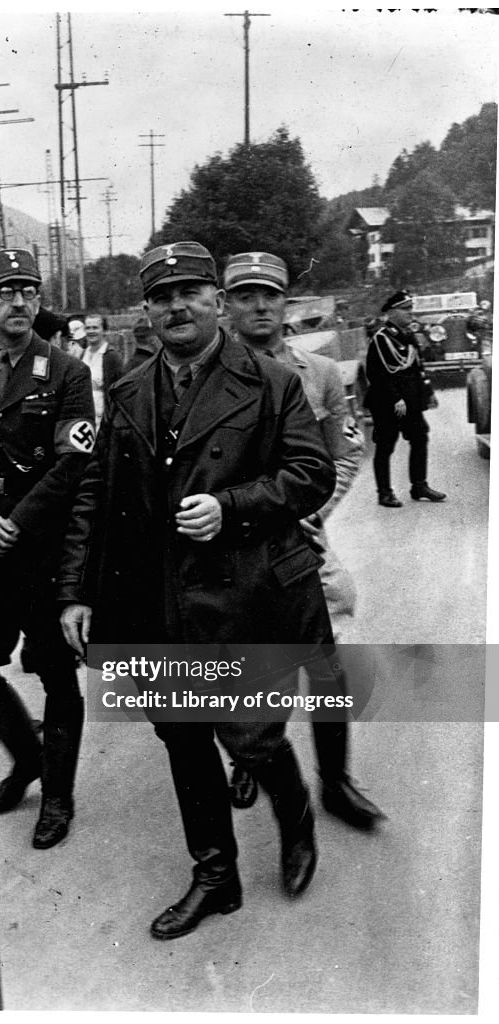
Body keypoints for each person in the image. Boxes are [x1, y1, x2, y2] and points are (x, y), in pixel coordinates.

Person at [58, 241, 337, 940]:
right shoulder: (126, 388)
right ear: (145, 311)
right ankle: (216, 874)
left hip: (237, 590)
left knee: (249, 738)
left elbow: (311, 473)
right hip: (152, 596)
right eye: (161, 296)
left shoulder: (271, 383)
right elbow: (96, 493)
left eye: (190, 292)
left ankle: (296, 818)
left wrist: (233, 506)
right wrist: (76, 592)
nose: (176, 307)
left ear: (217, 301)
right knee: (181, 736)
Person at [223, 251, 385, 830]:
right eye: (246, 296)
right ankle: (253, 755)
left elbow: (345, 454)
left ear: (285, 303)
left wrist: (313, 512)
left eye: (271, 295)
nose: (261, 306)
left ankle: (336, 781)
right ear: (227, 306)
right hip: (232, 545)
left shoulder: (316, 373)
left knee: (327, 660)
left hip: (299, 539)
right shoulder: (210, 374)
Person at [0, 247, 95, 849]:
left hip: (43, 552)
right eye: (5, 293)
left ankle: (57, 795)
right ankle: (28, 758)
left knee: (58, 676)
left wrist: (16, 523)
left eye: (29, 291)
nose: (19, 303)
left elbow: (74, 464)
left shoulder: (66, 373)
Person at [364, 290, 446, 508]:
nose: (411, 313)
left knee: (420, 438)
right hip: (388, 403)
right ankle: (384, 493)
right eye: (405, 309)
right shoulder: (381, 338)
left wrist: (428, 394)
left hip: (411, 401)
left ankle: (419, 486)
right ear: (392, 312)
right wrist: (396, 398)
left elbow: (417, 368)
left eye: (411, 308)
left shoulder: (408, 336)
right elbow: (377, 374)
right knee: (385, 446)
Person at [81, 314, 124, 429]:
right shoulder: (82, 355)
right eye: (88, 328)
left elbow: (118, 392)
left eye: (95, 327)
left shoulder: (111, 357)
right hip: (84, 417)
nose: (91, 331)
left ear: (104, 331)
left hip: (104, 419)